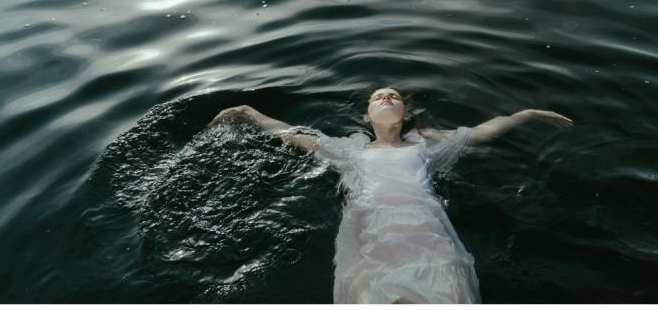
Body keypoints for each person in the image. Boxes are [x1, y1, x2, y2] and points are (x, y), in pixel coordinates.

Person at [207, 87, 574, 304]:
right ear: (367, 117)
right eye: (378, 96)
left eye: (394, 96)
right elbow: (294, 134)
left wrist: (525, 113)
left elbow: (481, 132)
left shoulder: (427, 145)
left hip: (429, 238)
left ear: (403, 112)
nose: (386, 96)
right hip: (372, 236)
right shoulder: (348, 150)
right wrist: (249, 112)